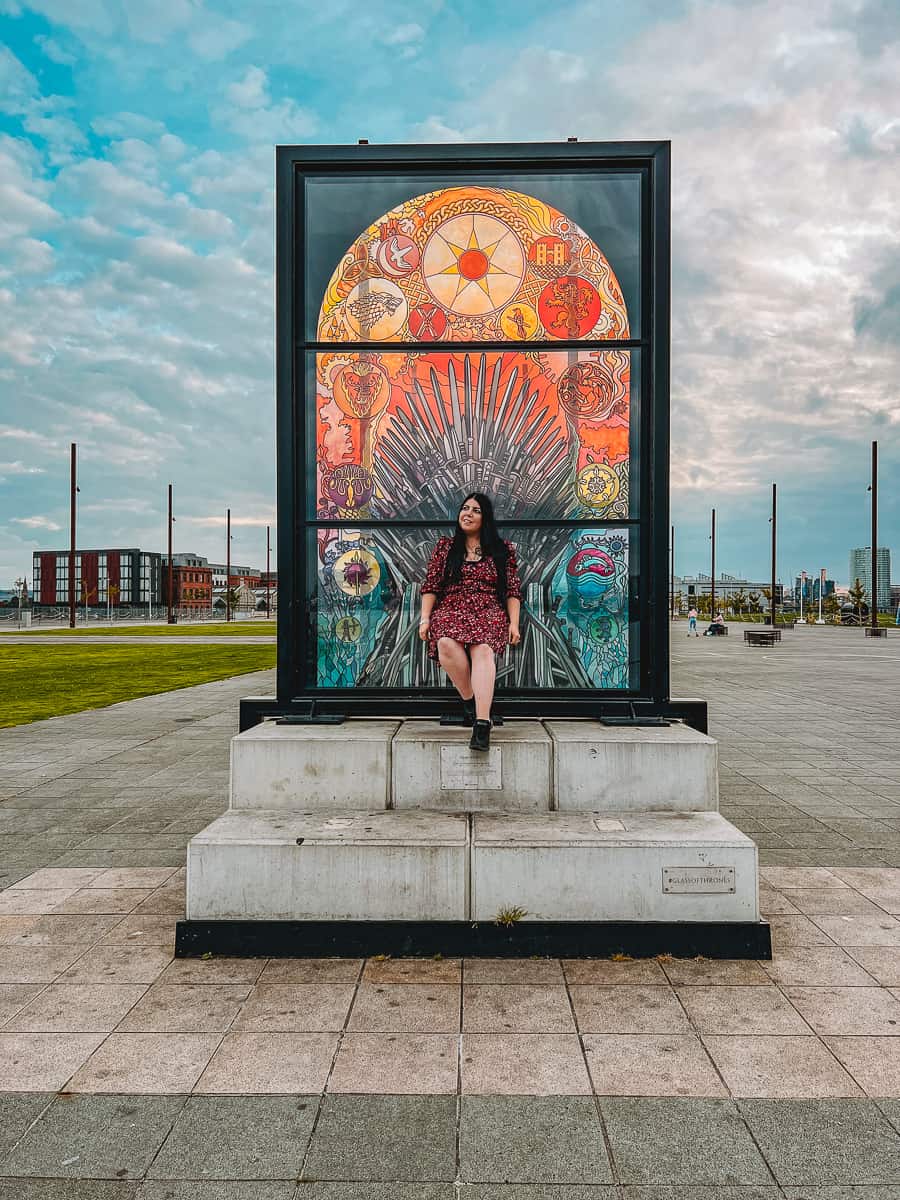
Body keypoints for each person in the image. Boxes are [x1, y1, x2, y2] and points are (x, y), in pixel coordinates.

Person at [419, 493, 522, 751]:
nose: (468, 513)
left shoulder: (501, 549)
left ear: (484, 517)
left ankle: (482, 724)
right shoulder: (445, 548)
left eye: (475, 510)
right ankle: (470, 701)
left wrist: (514, 623)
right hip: (451, 607)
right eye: (464, 508)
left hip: (488, 608)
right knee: (444, 643)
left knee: (483, 650)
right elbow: (431, 585)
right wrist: (424, 619)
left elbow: (512, 590)